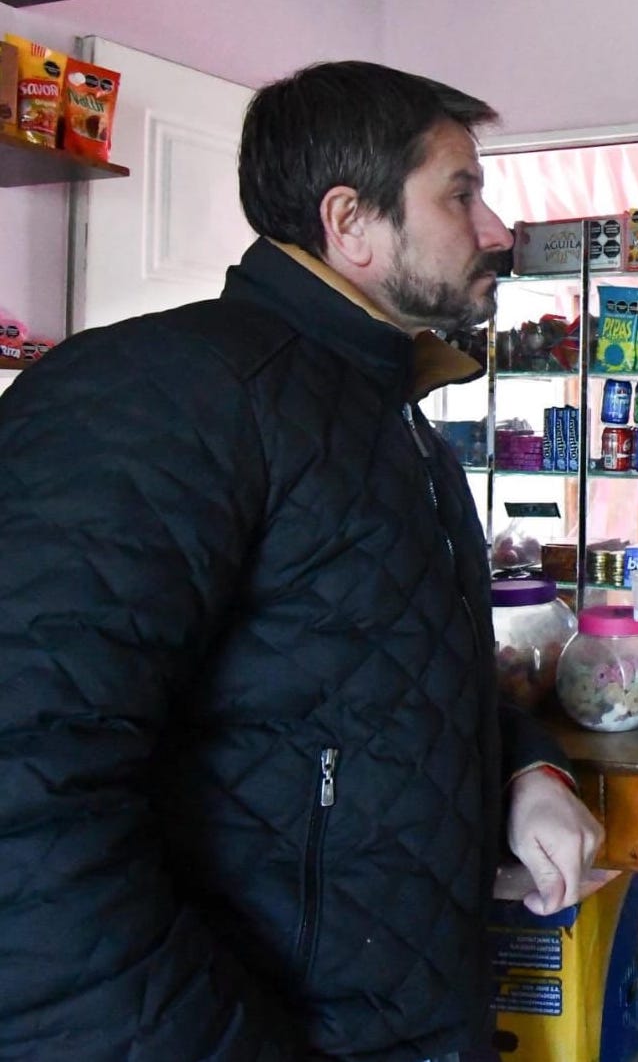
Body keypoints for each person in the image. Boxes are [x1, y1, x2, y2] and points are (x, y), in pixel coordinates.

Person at [0, 61, 603, 1060]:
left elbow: (374, 684)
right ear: (350, 221)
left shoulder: (391, 420)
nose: (497, 229)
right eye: (461, 193)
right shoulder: (166, 392)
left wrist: (526, 767)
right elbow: (27, 805)